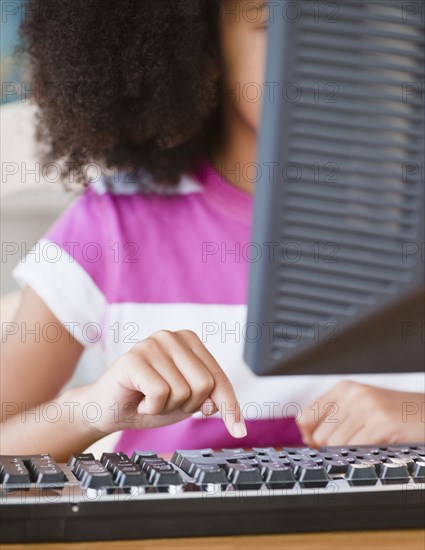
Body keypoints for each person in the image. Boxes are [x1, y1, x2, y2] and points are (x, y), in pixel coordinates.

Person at [1, 0, 423, 461]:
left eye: (353, 24)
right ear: (205, 50)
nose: (332, 59)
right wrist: (91, 410)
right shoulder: (113, 224)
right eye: (281, 25)